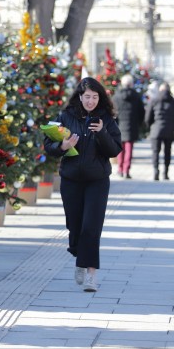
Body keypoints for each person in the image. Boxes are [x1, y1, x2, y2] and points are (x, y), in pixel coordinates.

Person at [44, 77, 122, 293]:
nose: (91, 101)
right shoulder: (66, 116)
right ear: (80, 97)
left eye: (95, 97)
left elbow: (115, 150)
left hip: (97, 180)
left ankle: (90, 274)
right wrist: (63, 145)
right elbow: (48, 145)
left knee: (92, 227)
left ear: (101, 98)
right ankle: (79, 256)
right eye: (87, 96)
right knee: (75, 225)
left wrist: (102, 133)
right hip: (71, 180)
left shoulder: (107, 119)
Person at [112, 74, 145, 179]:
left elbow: (112, 111)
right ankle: (126, 170)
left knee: (120, 149)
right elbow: (142, 112)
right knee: (129, 149)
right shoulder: (136, 96)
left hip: (119, 126)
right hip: (132, 126)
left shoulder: (116, 96)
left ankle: (120, 169)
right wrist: (139, 123)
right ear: (131, 84)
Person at [144, 81, 174, 181]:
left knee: (155, 151)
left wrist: (150, 127)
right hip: (170, 130)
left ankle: (156, 172)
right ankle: (166, 173)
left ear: (160, 90)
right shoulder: (172, 101)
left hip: (156, 129)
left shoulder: (154, 100)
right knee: (167, 152)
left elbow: (148, 117)